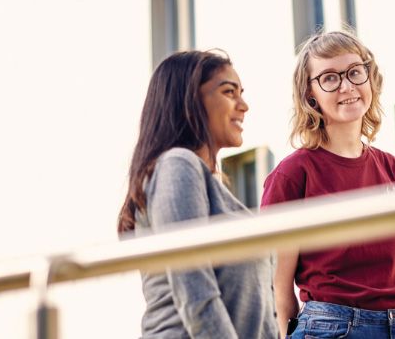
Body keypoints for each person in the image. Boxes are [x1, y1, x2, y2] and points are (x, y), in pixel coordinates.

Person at [260, 30, 395, 339]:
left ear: (369, 78)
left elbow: (394, 270)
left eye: (354, 72)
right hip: (330, 328)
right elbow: (276, 288)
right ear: (311, 95)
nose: (347, 86)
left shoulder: (392, 169)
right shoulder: (293, 174)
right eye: (330, 78)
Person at [117, 50, 279, 339]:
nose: (244, 105)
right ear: (189, 99)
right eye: (229, 92)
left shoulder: (212, 187)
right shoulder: (177, 165)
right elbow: (195, 293)